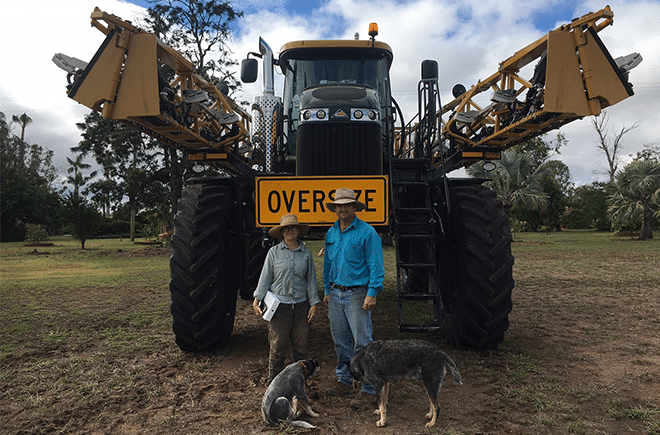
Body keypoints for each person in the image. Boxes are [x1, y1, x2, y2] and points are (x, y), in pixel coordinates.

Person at [323, 188, 385, 408]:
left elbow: (376, 265)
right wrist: (326, 290)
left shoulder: (368, 233)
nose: (342, 209)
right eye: (339, 206)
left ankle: (370, 389)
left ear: (354, 207)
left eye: (346, 205)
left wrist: (372, 292)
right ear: (335, 209)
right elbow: (327, 264)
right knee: (341, 341)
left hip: (358, 294)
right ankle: (345, 380)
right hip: (336, 292)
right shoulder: (331, 233)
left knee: (363, 343)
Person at [253, 214, 321, 384]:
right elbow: (265, 277)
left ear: (299, 231)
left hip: (300, 307)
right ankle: (273, 383)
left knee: (300, 347)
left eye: (293, 227)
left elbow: (311, 280)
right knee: (277, 347)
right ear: (281, 233)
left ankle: (299, 382)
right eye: (286, 228)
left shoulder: (306, 254)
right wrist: (257, 299)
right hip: (279, 308)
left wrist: (313, 304)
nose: (290, 231)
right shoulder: (274, 253)